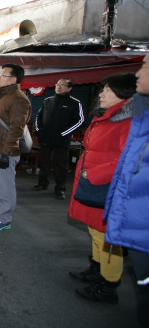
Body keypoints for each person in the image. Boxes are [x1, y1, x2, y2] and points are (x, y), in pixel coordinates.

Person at [68, 73, 136, 303]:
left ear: (124, 93)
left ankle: (109, 285)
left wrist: (92, 174)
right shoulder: (108, 116)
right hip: (94, 186)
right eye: (103, 89)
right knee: (95, 232)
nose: (102, 94)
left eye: (108, 90)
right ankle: (96, 269)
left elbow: (128, 158)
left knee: (107, 237)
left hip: (106, 188)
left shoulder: (128, 120)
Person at [104, 56, 149, 326]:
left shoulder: (128, 118)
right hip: (135, 222)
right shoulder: (138, 114)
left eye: (144, 66)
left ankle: (108, 281)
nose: (138, 73)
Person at [0, 63, 31, 231]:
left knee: (5, 185)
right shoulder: (2, 96)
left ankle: (5, 218)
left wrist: (7, 152)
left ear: (13, 79)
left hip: (5, 151)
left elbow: (16, 129)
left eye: (2, 75)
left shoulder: (19, 99)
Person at [33, 78, 84, 199]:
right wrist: (40, 130)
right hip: (46, 139)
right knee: (44, 162)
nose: (59, 87)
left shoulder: (75, 103)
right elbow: (38, 116)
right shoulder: (47, 101)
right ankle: (42, 184)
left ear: (69, 88)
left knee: (61, 165)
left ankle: (60, 188)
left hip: (62, 141)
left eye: (62, 85)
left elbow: (80, 121)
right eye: (57, 84)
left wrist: (63, 133)